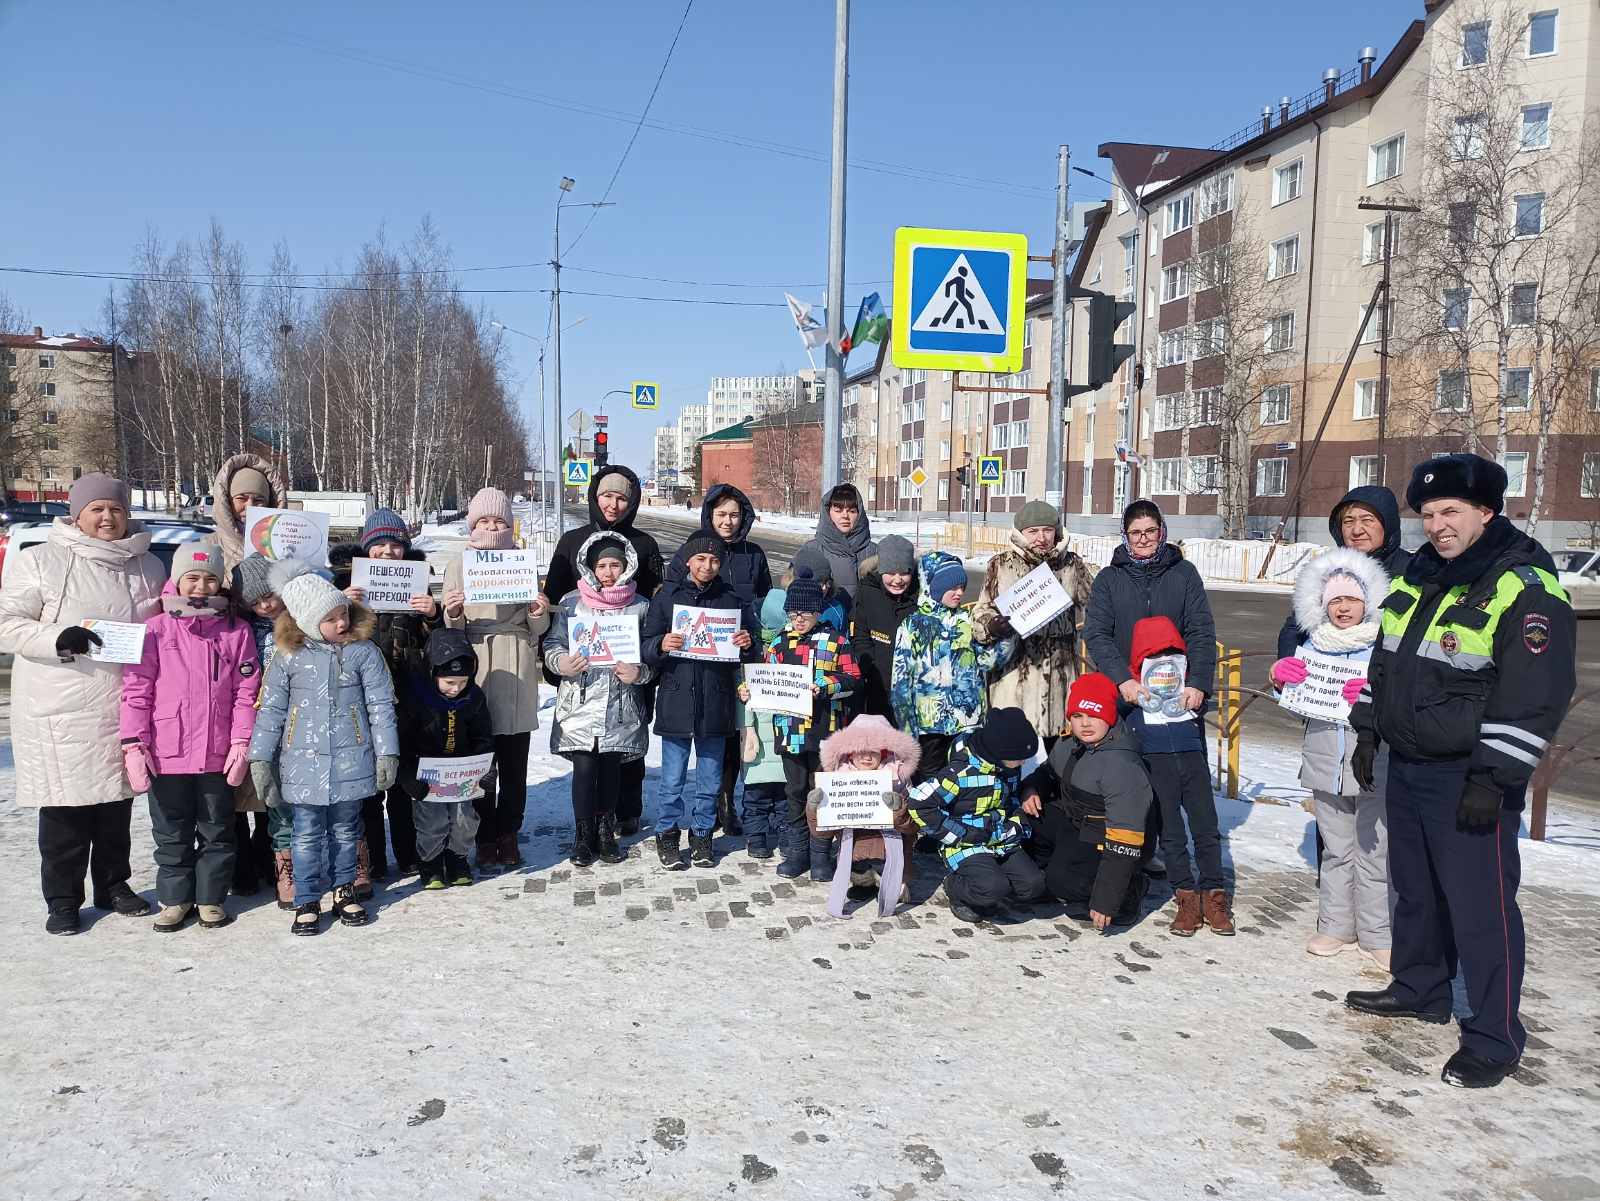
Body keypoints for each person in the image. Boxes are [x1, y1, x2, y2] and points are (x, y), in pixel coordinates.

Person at [1347, 453, 1576, 1089]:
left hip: (1470, 777)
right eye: (1428, 515)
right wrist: (1368, 730)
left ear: (1486, 511)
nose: (1438, 526)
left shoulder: (1524, 585)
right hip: (1410, 765)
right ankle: (1421, 987)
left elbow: (1536, 694)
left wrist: (1494, 777)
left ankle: (1495, 1034)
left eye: (1451, 512)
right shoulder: (1419, 575)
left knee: (1482, 909)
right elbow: (1385, 659)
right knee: (1415, 890)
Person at [0, 473, 165, 934]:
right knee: (66, 809)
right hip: (62, 703)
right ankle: (63, 899)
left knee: (116, 805)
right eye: (97, 509)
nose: (107, 517)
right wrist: (58, 637)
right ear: (76, 516)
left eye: (115, 508)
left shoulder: (147, 565)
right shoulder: (41, 562)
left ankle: (113, 885)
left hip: (124, 703)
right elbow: (6, 624)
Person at [248, 570, 399, 935]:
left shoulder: (365, 652)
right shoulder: (288, 657)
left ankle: (344, 889)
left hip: (352, 757)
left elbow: (381, 705)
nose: (341, 622)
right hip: (302, 763)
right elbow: (270, 710)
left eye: (342, 614)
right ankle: (307, 898)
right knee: (305, 833)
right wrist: (260, 758)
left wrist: (387, 753)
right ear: (307, 622)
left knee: (348, 829)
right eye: (330, 619)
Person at [118, 542, 258, 932]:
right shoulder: (156, 629)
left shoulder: (236, 631)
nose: (200, 586)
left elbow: (247, 692)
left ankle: (211, 898)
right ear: (177, 580)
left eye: (210, 579)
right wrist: (134, 743)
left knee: (218, 829)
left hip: (217, 753)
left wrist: (241, 742)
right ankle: (176, 899)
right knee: (171, 831)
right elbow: (136, 690)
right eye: (192, 577)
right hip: (167, 752)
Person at [1082, 498, 1216, 876]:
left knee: (1176, 781)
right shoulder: (1111, 579)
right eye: (1135, 532)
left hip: (1178, 698)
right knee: (1132, 775)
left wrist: (1198, 683)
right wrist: (1122, 678)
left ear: (1162, 533)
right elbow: (1097, 633)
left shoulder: (1184, 574)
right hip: (1129, 696)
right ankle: (1132, 846)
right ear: (1125, 535)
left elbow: (1201, 631)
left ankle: (1171, 853)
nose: (1143, 539)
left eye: (1150, 531)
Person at [1272, 547, 1392, 966]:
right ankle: (1335, 925)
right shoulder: (1313, 644)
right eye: (1335, 601)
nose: (1344, 609)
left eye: (1352, 600)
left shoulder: (1383, 647)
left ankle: (1379, 933)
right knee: (1337, 849)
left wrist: (1376, 702)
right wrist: (1280, 678)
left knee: (1375, 852)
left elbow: (1401, 701)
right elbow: (1296, 699)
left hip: (1372, 762)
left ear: (1369, 602)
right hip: (1324, 758)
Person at [543, 466, 664, 837]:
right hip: (584, 671)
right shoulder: (572, 541)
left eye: (622, 498)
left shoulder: (644, 545)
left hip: (628, 666)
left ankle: (626, 812)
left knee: (626, 744)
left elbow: (656, 602)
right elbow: (556, 605)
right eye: (607, 496)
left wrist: (648, 661)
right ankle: (589, 823)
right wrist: (557, 664)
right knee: (588, 756)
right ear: (596, 497)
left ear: (632, 502)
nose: (613, 504)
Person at [331, 508, 442, 891]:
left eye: (396, 545)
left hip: (407, 697)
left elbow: (434, 646)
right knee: (367, 787)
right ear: (367, 548)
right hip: (359, 701)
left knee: (402, 783)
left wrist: (432, 615)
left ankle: (408, 854)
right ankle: (372, 860)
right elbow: (325, 637)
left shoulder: (416, 582)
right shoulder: (344, 584)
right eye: (379, 544)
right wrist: (339, 603)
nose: (388, 552)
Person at [443, 487, 551, 872]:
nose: (491, 527)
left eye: (499, 521)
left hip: (517, 659)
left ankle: (509, 833)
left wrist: (539, 611)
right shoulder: (460, 562)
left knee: (515, 763)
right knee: (481, 764)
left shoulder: (521, 561)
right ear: (473, 524)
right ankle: (485, 836)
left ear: (509, 524)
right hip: (479, 660)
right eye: (484, 521)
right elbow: (451, 624)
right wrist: (452, 612)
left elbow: (537, 625)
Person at [641, 531, 755, 870]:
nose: (707, 565)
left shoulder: (731, 600)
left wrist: (746, 642)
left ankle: (703, 832)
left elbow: (751, 650)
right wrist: (661, 644)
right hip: (677, 700)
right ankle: (667, 832)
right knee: (673, 779)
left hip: (716, 702)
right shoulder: (668, 598)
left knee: (710, 778)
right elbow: (646, 645)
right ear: (688, 561)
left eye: (715, 560)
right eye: (701, 559)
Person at [664, 484, 772, 837]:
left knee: (739, 730)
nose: (727, 521)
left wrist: (751, 638)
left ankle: (731, 800)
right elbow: (672, 596)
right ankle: (714, 806)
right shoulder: (690, 551)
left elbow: (764, 599)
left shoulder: (753, 554)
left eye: (734, 515)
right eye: (720, 514)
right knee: (710, 732)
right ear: (709, 515)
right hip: (697, 656)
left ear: (744, 518)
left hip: (739, 649)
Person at [545, 534, 655, 867]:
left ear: (626, 567)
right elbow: (553, 644)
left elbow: (652, 657)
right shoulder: (571, 603)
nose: (607, 572)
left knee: (610, 770)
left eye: (614, 565)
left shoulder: (640, 606)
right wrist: (561, 663)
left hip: (620, 704)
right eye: (602, 565)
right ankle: (583, 834)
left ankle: (606, 831)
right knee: (584, 767)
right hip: (579, 701)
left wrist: (640, 673)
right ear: (591, 568)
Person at [748, 567, 862, 881]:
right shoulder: (779, 644)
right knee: (795, 791)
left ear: (818, 611)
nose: (800, 619)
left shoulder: (836, 640)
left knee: (821, 791)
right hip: (790, 730)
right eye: (795, 612)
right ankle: (797, 852)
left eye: (808, 612)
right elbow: (766, 682)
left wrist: (826, 684)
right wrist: (750, 690)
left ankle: (821, 854)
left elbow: (853, 678)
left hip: (826, 729)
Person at [1123, 616, 1231, 935]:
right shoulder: (1132, 695)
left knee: (1206, 828)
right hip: (1158, 763)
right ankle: (1185, 896)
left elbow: (1201, 697)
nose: (1163, 662)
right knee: (1171, 832)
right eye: (1154, 656)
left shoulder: (1188, 687)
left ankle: (1214, 894)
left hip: (1191, 757)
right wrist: (1130, 694)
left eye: (1170, 653)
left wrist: (1197, 692)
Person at [1020, 673, 1151, 929]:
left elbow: (1125, 843)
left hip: (1111, 837)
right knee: (1021, 822)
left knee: (1066, 883)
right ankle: (1055, 877)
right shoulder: (1070, 742)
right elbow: (1048, 773)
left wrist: (1106, 900)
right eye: (1078, 716)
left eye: (1094, 715)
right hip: (1077, 820)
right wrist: (1032, 789)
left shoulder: (1122, 766)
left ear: (1110, 716)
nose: (1085, 724)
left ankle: (1130, 891)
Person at [970, 501, 1094, 748]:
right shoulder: (1002, 564)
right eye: (1033, 531)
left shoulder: (1071, 565)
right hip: (1014, 678)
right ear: (1021, 533)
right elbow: (980, 612)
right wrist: (992, 626)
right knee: (1012, 756)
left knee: (1059, 760)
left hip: (1059, 678)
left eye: (1047, 530)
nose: (1041, 538)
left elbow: (1096, 606)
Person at [907, 707, 1045, 923]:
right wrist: (960, 834)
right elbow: (919, 803)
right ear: (999, 752)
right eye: (1019, 758)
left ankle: (989, 887)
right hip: (966, 844)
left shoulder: (1007, 768)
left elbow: (1012, 799)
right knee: (991, 887)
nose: (1023, 763)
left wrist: (1017, 823)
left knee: (1032, 884)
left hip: (1000, 838)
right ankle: (956, 888)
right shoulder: (959, 775)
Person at [891, 551, 1015, 783]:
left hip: (967, 723)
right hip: (929, 728)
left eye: (962, 586)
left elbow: (988, 662)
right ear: (934, 587)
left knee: (967, 781)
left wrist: (1007, 638)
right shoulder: (912, 626)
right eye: (952, 587)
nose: (959, 593)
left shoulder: (967, 622)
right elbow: (900, 682)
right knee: (931, 784)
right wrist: (907, 730)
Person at [230, 556, 303, 909]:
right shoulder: (245, 630)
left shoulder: (300, 621)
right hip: (258, 721)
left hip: (297, 722)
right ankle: (268, 866)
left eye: (269, 597)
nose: (264, 606)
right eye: (255, 602)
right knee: (262, 796)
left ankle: (286, 867)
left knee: (284, 799)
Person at [397, 629, 494, 891]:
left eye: (462, 682)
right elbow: (403, 741)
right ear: (434, 674)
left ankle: (457, 858)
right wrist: (407, 776)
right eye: (449, 682)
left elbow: (483, 736)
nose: (456, 689)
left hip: (464, 774)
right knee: (432, 822)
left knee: (465, 819)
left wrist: (485, 768)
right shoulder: (418, 700)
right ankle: (430, 862)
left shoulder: (473, 699)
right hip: (427, 775)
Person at [1276, 485, 1412, 662]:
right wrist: (1286, 663)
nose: (1356, 530)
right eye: (1348, 521)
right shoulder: (1328, 571)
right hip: (1327, 679)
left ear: (1388, 524)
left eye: (1367, 520)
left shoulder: (1412, 572)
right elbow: (1295, 629)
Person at [807, 713, 921, 918]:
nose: (867, 757)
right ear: (850, 753)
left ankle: (895, 880)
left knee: (888, 863)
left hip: (891, 853)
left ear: (884, 752)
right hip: (854, 851)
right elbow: (822, 832)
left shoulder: (899, 780)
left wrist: (899, 810)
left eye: (874, 752)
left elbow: (914, 827)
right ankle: (863, 880)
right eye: (861, 751)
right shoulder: (836, 782)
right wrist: (815, 808)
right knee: (858, 868)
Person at [850, 535, 919, 720]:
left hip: (912, 691)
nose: (897, 580)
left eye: (904, 572)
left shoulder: (920, 598)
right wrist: (871, 671)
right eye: (890, 572)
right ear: (880, 571)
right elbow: (860, 637)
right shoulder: (867, 593)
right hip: (877, 687)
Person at [797, 483, 876, 605]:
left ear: (859, 514)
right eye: (838, 510)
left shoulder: (874, 552)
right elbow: (795, 594)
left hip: (866, 623)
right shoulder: (811, 550)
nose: (845, 516)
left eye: (852, 511)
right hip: (824, 620)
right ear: (828, 513)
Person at [208, 454, 287, 576]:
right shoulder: (208, 545)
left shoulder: (286, 544)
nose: (250, 506)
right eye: (241, 498)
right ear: (227, 501)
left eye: (259, 500)